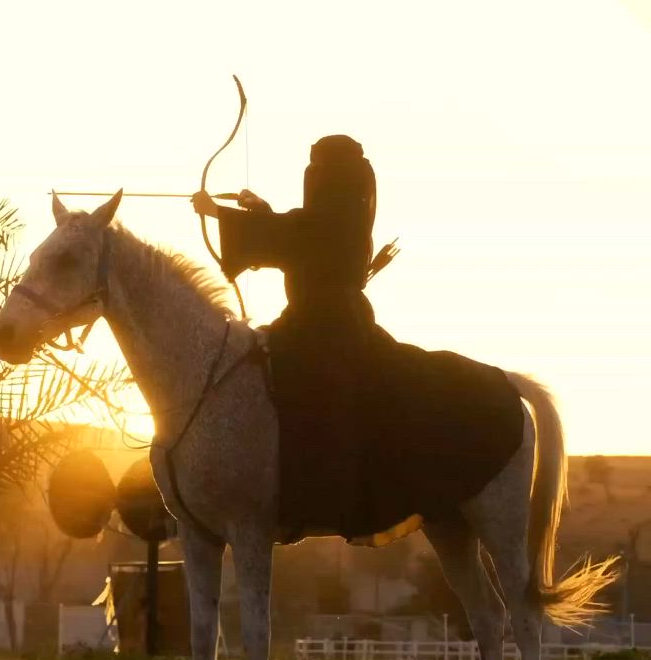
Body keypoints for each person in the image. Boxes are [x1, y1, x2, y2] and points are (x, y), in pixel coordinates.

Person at [193, 134, 524, 546]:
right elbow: (297, 234)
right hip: (325, 321)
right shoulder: (344, 211)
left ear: (326, 177)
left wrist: (218, 213)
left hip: (322, 327)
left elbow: (296, 235)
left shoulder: (333, 217)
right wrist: (256, 210)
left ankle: (291, 491)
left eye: (318, 173)